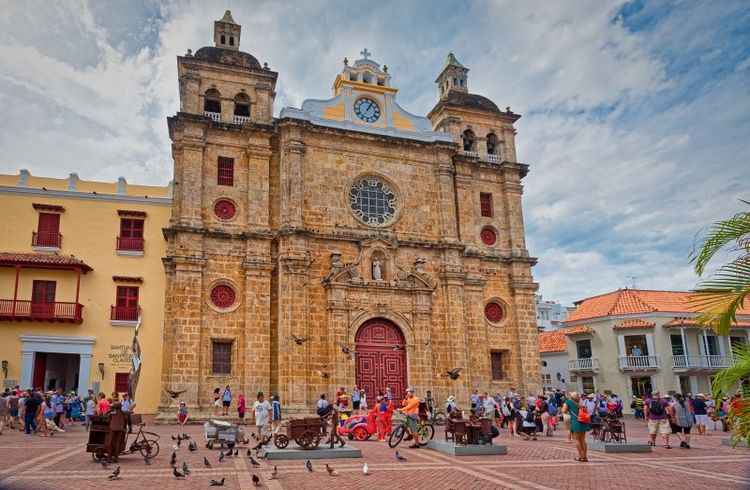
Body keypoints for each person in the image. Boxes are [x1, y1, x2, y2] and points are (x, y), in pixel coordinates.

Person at [562, 392, 590, 462]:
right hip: (583, 421)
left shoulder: (568, 402)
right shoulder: (580, 402)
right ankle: (585, 456)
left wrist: (569, 411)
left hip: (575, 421)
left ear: (571, 397)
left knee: (577, 439)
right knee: (583, 440)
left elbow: (564, 410)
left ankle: (581, 456)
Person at [106, 398, 127, 462]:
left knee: (110, 442)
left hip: (113, 429)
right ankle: (116, 457)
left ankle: (109, 457)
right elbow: (125, 420)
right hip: (120, 429)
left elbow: (108, 419)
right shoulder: (123, 413)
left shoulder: (112, 412)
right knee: (117, 443)